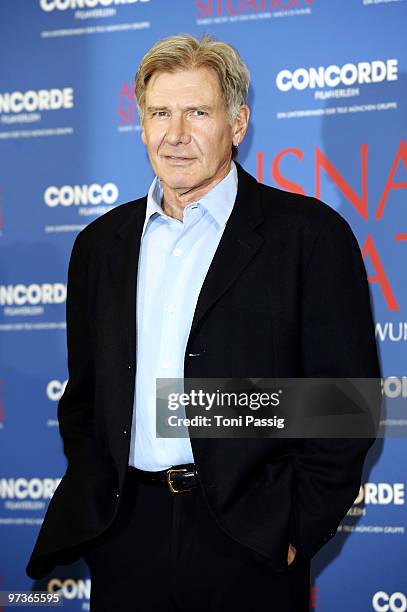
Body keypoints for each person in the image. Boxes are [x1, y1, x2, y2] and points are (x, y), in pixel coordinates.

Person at [26, 34, 381, 611]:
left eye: (198, 112)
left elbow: (344, 403)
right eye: (160, 113)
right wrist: (102, 512)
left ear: (237, 124)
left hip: (249, 539)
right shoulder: (100, 245)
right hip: (125, 535)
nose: (175, 134)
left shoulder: (307, 236)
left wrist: (290, 530)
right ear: (141, 124)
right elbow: (86, 397)